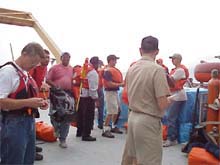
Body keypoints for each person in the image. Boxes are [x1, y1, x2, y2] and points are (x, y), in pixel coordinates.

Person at [121, 36, 171, 165]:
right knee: (150, 160)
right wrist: (170, 100)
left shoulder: (132, 68)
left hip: (132, 118)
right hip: (148, 121)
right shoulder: (157, 70)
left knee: (132, 158)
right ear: (157, 51)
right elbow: (162, 104)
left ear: (140, 50)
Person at [0, 42, 48, 165]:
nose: (34, 66)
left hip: (29, 122)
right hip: (13, 124)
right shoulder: (8, 72)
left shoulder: (25, 73)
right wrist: (28, 102)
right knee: (13, 160)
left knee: (27, 160)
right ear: (24, 54)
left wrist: (39, 103)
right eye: (33, 62)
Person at [46, 52, 73, 148]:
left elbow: (74, 80)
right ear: (61, 58)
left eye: (68, 58)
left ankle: (63, 139)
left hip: (68, 95)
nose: (66, 59)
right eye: (65, 57)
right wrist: (55, 86)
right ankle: (56, 128)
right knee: (54, 114)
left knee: (67, 116)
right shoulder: (54, 68)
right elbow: (47, 80)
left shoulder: (71, 69)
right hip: (56, 94)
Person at [163, 53, 189, 147]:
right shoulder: (177, 70)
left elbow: (170, 80)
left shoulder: (180, 70)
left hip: (177, 96)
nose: (172, 60)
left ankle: (171, 139)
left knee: (171, 117)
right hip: (176, 95)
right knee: (172, 117)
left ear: (178, 59)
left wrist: (162, 73)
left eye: (173, 58)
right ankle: (174, 137)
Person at [29, 49, 50, 161]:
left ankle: (32, 145)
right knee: (29, 124)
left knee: (33, 122)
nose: (46, 60)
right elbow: (29, 84)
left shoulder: (44, 68)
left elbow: (38, 84)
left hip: (35, 97)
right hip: (29, 99)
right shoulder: (33, 68)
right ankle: (30, 150)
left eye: (48, 58)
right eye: (44, 57)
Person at [76, 56, 99, 141]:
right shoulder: (93, 72)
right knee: (89, 116)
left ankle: (79, 132)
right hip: (88, 97)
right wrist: (96, 99)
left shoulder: (84, 69)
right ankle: (86, 135)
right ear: (96, 63)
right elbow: (93, 88)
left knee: (81, 115)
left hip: (81, 95)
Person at [102, 54, 124, 138]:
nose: (116, 62)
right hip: (109, 92)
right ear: (110, 61)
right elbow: (109, 83)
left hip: (115, 92)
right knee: (111, 111)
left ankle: (113, 126)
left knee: (117, 109)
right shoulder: (107, 71)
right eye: (114, 60)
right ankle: (106, 129)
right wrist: (120, 84)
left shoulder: (112, 70)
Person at [97, 60, 105, 129]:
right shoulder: (102, 70)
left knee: (91, 108)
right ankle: (100, 123)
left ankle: (90, 125)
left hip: (92, 89)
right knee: (101, 107)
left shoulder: (92, 70)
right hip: (99, 89)